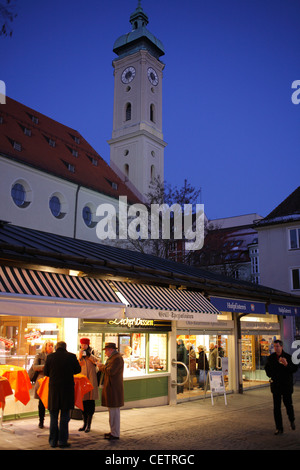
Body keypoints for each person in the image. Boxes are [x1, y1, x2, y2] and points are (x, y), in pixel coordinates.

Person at [44, 341, 81, 448]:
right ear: (65, 347)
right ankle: (62, 441)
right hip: (67, 390)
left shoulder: (50, 357)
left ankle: (52, 441)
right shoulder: (71, 357)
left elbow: (46, 372)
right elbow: (78, 370)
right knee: (65, 417)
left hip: (54, 391)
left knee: (53, 416)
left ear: (56, 347)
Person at [265, 339, 298, 435]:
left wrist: (286, 364)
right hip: (276, 386)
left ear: (282, 347)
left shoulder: (288, 357)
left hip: (286, 386)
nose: (276, 348)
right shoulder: (271, 358)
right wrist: (271, 374)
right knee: (276, 408)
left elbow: (294, 369)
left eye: (278, 346)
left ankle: (292, 420)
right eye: (275, 346)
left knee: (288, 405)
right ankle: (279, 428)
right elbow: (267, 370)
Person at [97, 342, 124, 440]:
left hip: (114, 388)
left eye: (107, 350)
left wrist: (101, 367)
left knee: (114, 413)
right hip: (112, 388)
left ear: (111, 350)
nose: (105, 353)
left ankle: (115, 433)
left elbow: (111, 371)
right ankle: (113, 431)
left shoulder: (116, 358)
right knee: (112, 412)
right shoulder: (114, 358)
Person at [78, 337, 99, 432]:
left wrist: (89, 356)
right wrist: (80, 357)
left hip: (91, 379)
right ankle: (84, 423)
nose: (83, 346)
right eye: (82, 345)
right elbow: (79, 365)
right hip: (82, 380)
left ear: (88, 344)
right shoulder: (79, 352)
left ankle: (89, 425)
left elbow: (98, 362)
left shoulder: (93, 352)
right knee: (83, 402)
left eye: (85, 345)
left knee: (90, 402)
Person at [32, 341, 54, 428]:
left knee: (52, 401)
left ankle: (53, 421)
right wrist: (44, 366)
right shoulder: (39, 355)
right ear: (45, 346)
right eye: (49, 346)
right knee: (41, 402)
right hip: (42, 380)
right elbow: (35, 367)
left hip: (51, 380)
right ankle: (41, 421)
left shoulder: (54, 356)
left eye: (52, 346)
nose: (51, 347)